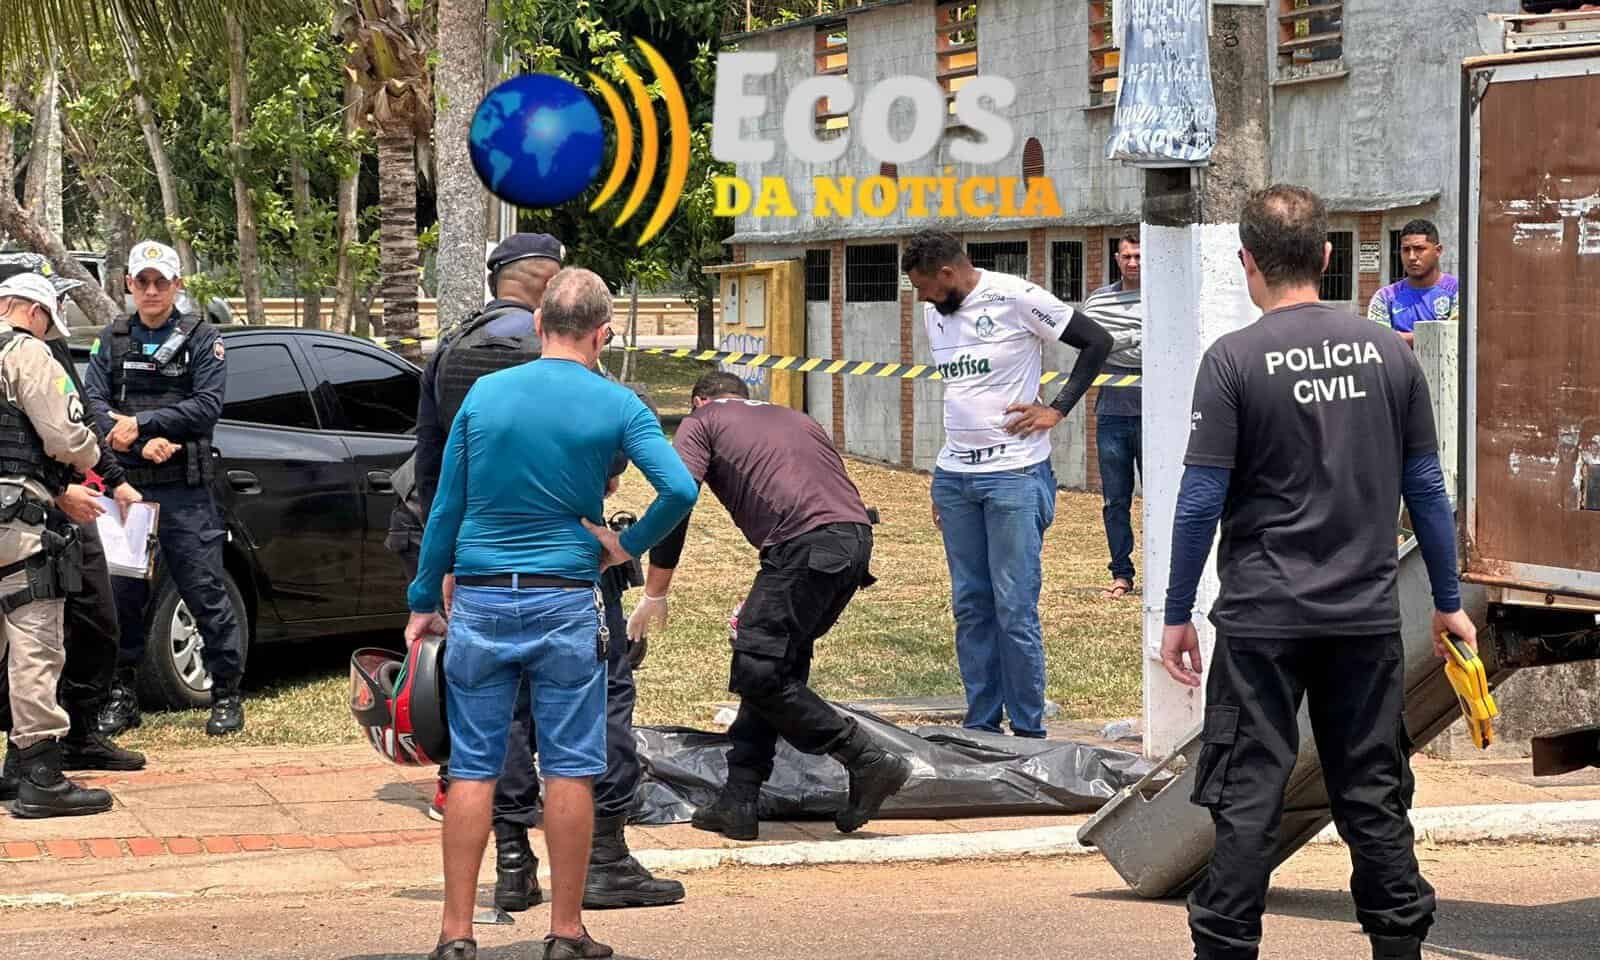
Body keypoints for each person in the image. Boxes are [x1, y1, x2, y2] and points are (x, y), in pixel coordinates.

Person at [1161, 185, 1475, 960]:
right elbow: (1428, 490)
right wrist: (1447, 600)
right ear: (1329, 258)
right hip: (1363, 622)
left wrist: (1175, 611)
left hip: (1263, 621)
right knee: (1373, 797)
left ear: (1247, 263)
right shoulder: (1387, 353)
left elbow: (1200, 498)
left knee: (1247, 801)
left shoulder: (1232, 360)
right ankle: (1398, 948)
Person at [404, 267, 696, 960]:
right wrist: (624, 545)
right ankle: (566, 933)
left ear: (538, 325)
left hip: (480, 597)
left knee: (473, 767)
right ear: (604, 333)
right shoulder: (618, 404)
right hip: (565, 598)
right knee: (569, 769)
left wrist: (424, 599)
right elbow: (679, 488)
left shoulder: (484, 396)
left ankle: (455, 935)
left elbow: (446, 505)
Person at [629, 371, 908, 842]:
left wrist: (655, 591)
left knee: (759, 670)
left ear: (700, 401)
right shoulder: (794, 417)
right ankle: (739, 801)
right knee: (774, 668)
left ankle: (865, 756)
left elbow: (677, 498)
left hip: (804, 544)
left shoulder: (703, 421)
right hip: (852, 542)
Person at [900, 230, 1112, 739]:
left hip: (1014, 475)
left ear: (949, 274)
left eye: (926, 287)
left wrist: (1056, 409)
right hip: (957, 478)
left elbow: (1097, 341)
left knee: (1013, 604)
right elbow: (961, 393)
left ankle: (1029, 729)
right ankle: (982, 725)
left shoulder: (1015, 297)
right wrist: (940, 475)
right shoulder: (937, 312)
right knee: (971, 604)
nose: (923, 298)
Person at [84, 241, 245, 737]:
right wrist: (139, 442)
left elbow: (206, 406)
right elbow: (89, 406)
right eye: (142, 281)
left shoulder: (201, 338)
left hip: (185, 493)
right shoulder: (110, 340)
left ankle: (226, 695)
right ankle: (122, 695)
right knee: (122, 595)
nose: (151, 291)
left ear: (178, 285)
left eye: (161, 281)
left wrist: (145, 424)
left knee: (204, 591)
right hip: (128, 491)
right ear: (128, 285)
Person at [0, 257, 146, 799]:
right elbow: (67, 433)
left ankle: (15, 768)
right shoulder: (26, 351)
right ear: (35, 312)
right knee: (35, 636)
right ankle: (39, 773)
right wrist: (81, 465)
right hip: (16, 523)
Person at [1087, 236, 1144, 600]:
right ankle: (1121, 574)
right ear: (1116, 259)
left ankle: (1166, 571)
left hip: (1155, 415)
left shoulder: (1164, 297)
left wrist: (1115, 341)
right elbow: (1091, 341)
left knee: (1159, 499)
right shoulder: (1098, 301)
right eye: (1127, 256)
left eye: (1139, 255)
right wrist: (1135, 339)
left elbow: (1163, 341)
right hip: (1111, 415)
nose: (1133, 262)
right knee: (1115, 501)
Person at [1367, 218, 1457, 348]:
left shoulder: (1458, 291)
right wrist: (1434, 336)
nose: (1412, 257)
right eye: (1406, 250)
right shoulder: (1385, 297)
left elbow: (1457, 336)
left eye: (1419, 249)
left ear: (1438, 251)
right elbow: (1378, 341)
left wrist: (1400, 338)